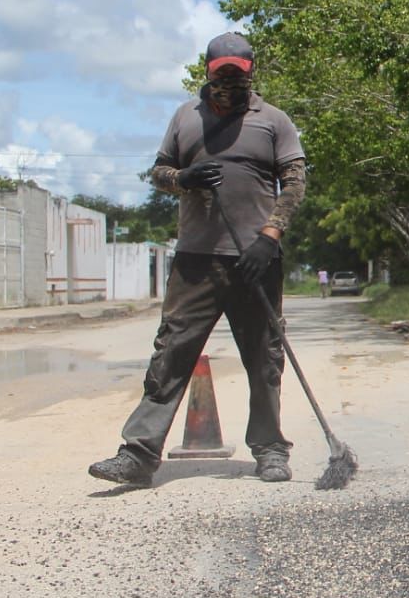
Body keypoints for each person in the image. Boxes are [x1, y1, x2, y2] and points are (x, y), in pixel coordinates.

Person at [88, 32, 308, 487]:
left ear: (250, 73)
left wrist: (270, 235)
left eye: (238, 73)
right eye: (221, 71)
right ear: (207, 70)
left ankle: (269, 449)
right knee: (171, 353)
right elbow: (159, 172)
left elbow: (295, 181)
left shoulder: (274, 121)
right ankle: (139, 455)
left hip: (256, 260)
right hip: (195, 260)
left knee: (265, 358)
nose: (229, 80)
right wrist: (183, 178)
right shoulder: (184, 117)